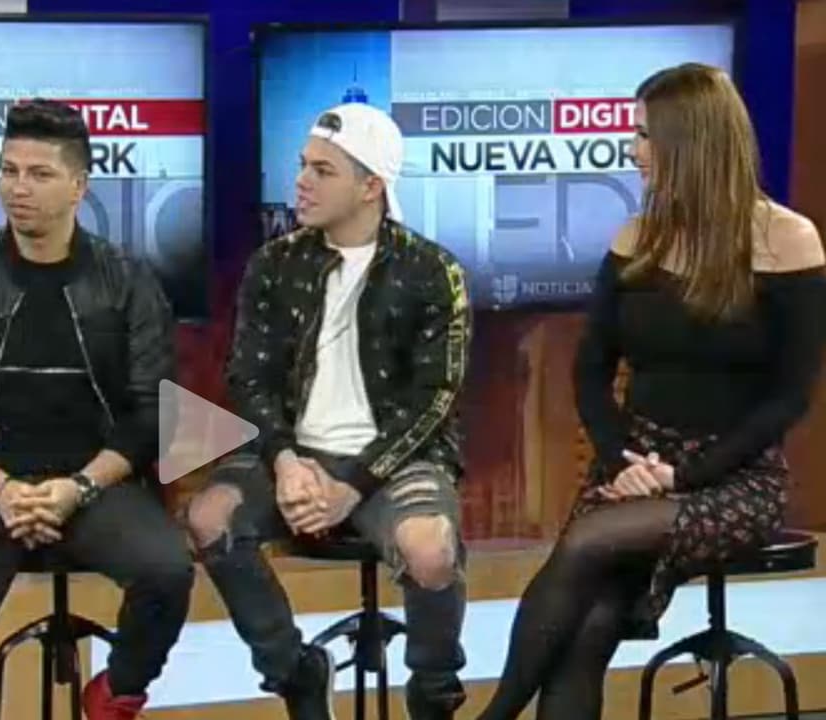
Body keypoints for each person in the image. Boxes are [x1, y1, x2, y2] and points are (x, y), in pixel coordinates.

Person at [477, 63, 826, 720]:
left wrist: (684, 475)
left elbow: (790, 396)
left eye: (643, 134)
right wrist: (621, 462)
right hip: (633, 468)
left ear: (689, 142)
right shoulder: (636, 238)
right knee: (589, 627)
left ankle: (493, 716)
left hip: (734, 476)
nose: (632, 149)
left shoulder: (789, 241)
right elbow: (590, 372)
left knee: (587, 542)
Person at [0, 99, 194, 720]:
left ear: (79, 187)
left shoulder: (128, 281)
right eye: (9, 171)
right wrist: (2, 488)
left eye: (39, 174)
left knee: (168, 570)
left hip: (93, 483)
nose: (18, 189)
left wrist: (78, 487)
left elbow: (152, 415)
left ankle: (118, 689)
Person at [185, 103, 472, 720]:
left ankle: (433, 691)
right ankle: (295, 672)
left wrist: (353, 485)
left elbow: (435, 398)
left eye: (323, 170)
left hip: (393, 459)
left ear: (371, 186)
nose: (301, 183)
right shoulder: (275, 264)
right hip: (291, 452)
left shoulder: (432, 270)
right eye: (302, 166)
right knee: (210, 518)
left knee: (430, 550)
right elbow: (248, 376)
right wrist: (286, 461)